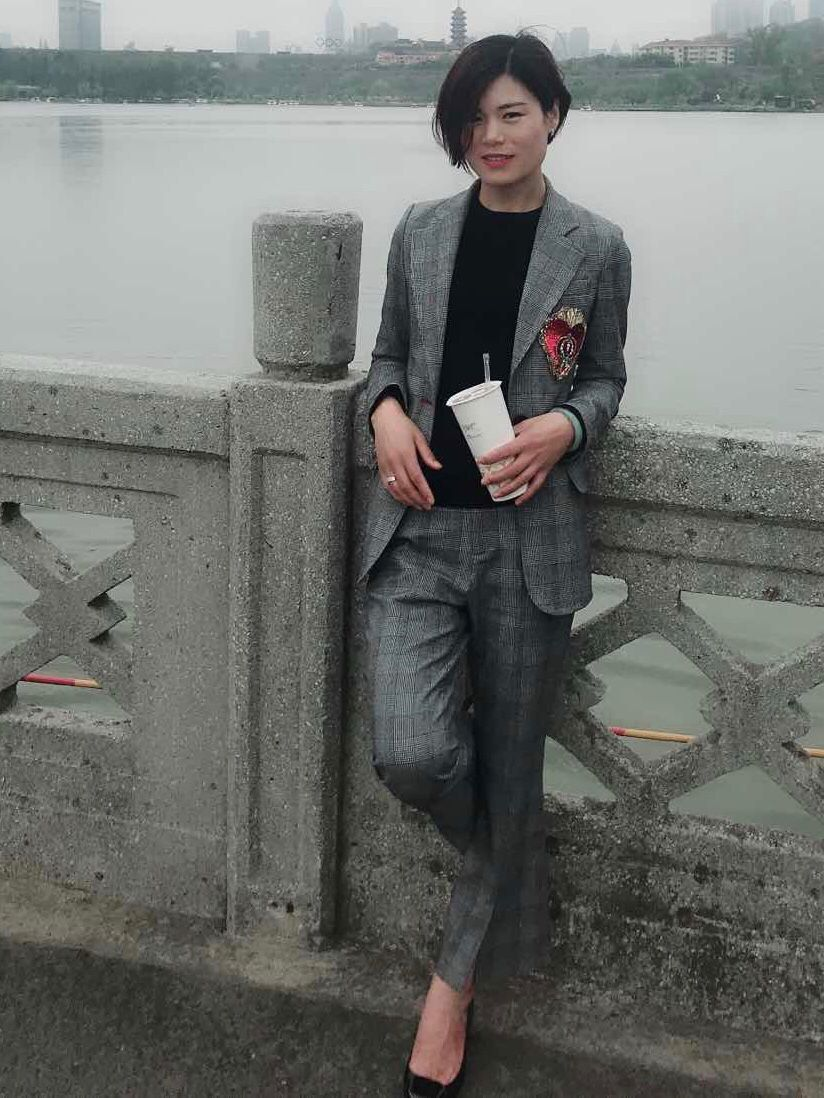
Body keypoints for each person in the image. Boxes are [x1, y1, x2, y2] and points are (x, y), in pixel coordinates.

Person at [359, 31, 632, 1098]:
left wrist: (566, 426)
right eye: (473, 118)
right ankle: (509, 855)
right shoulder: (421, 231)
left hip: (529, 541)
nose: (491, 135)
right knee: (411, 754)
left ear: (552, 115)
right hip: (420, 534)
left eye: (511, 113)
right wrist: (384, 411)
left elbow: (604, 378)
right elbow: (386, 356)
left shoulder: (595, 246)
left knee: (511, 765)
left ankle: (450, 990)